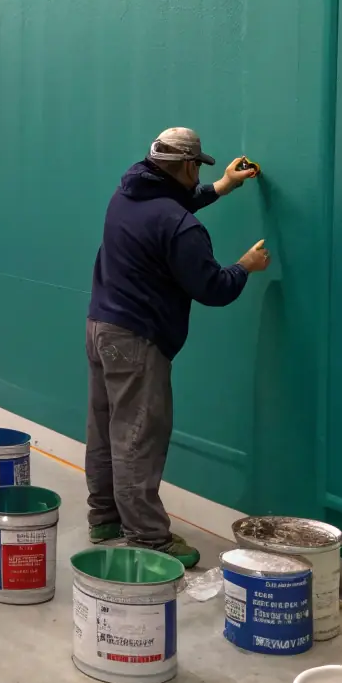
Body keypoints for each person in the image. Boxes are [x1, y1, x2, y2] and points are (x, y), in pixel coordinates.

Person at [85, 128, 269, 567]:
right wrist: (246, 266)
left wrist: (222, 186)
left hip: (101, 327)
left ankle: (105, 518)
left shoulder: (128, 193)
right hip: (137, 339)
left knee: (105, 428)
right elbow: (213, 288)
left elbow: (170, 207)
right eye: (198, 168)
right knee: (138, 439)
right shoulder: (181, 226)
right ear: (187, 166)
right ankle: (149, 538)